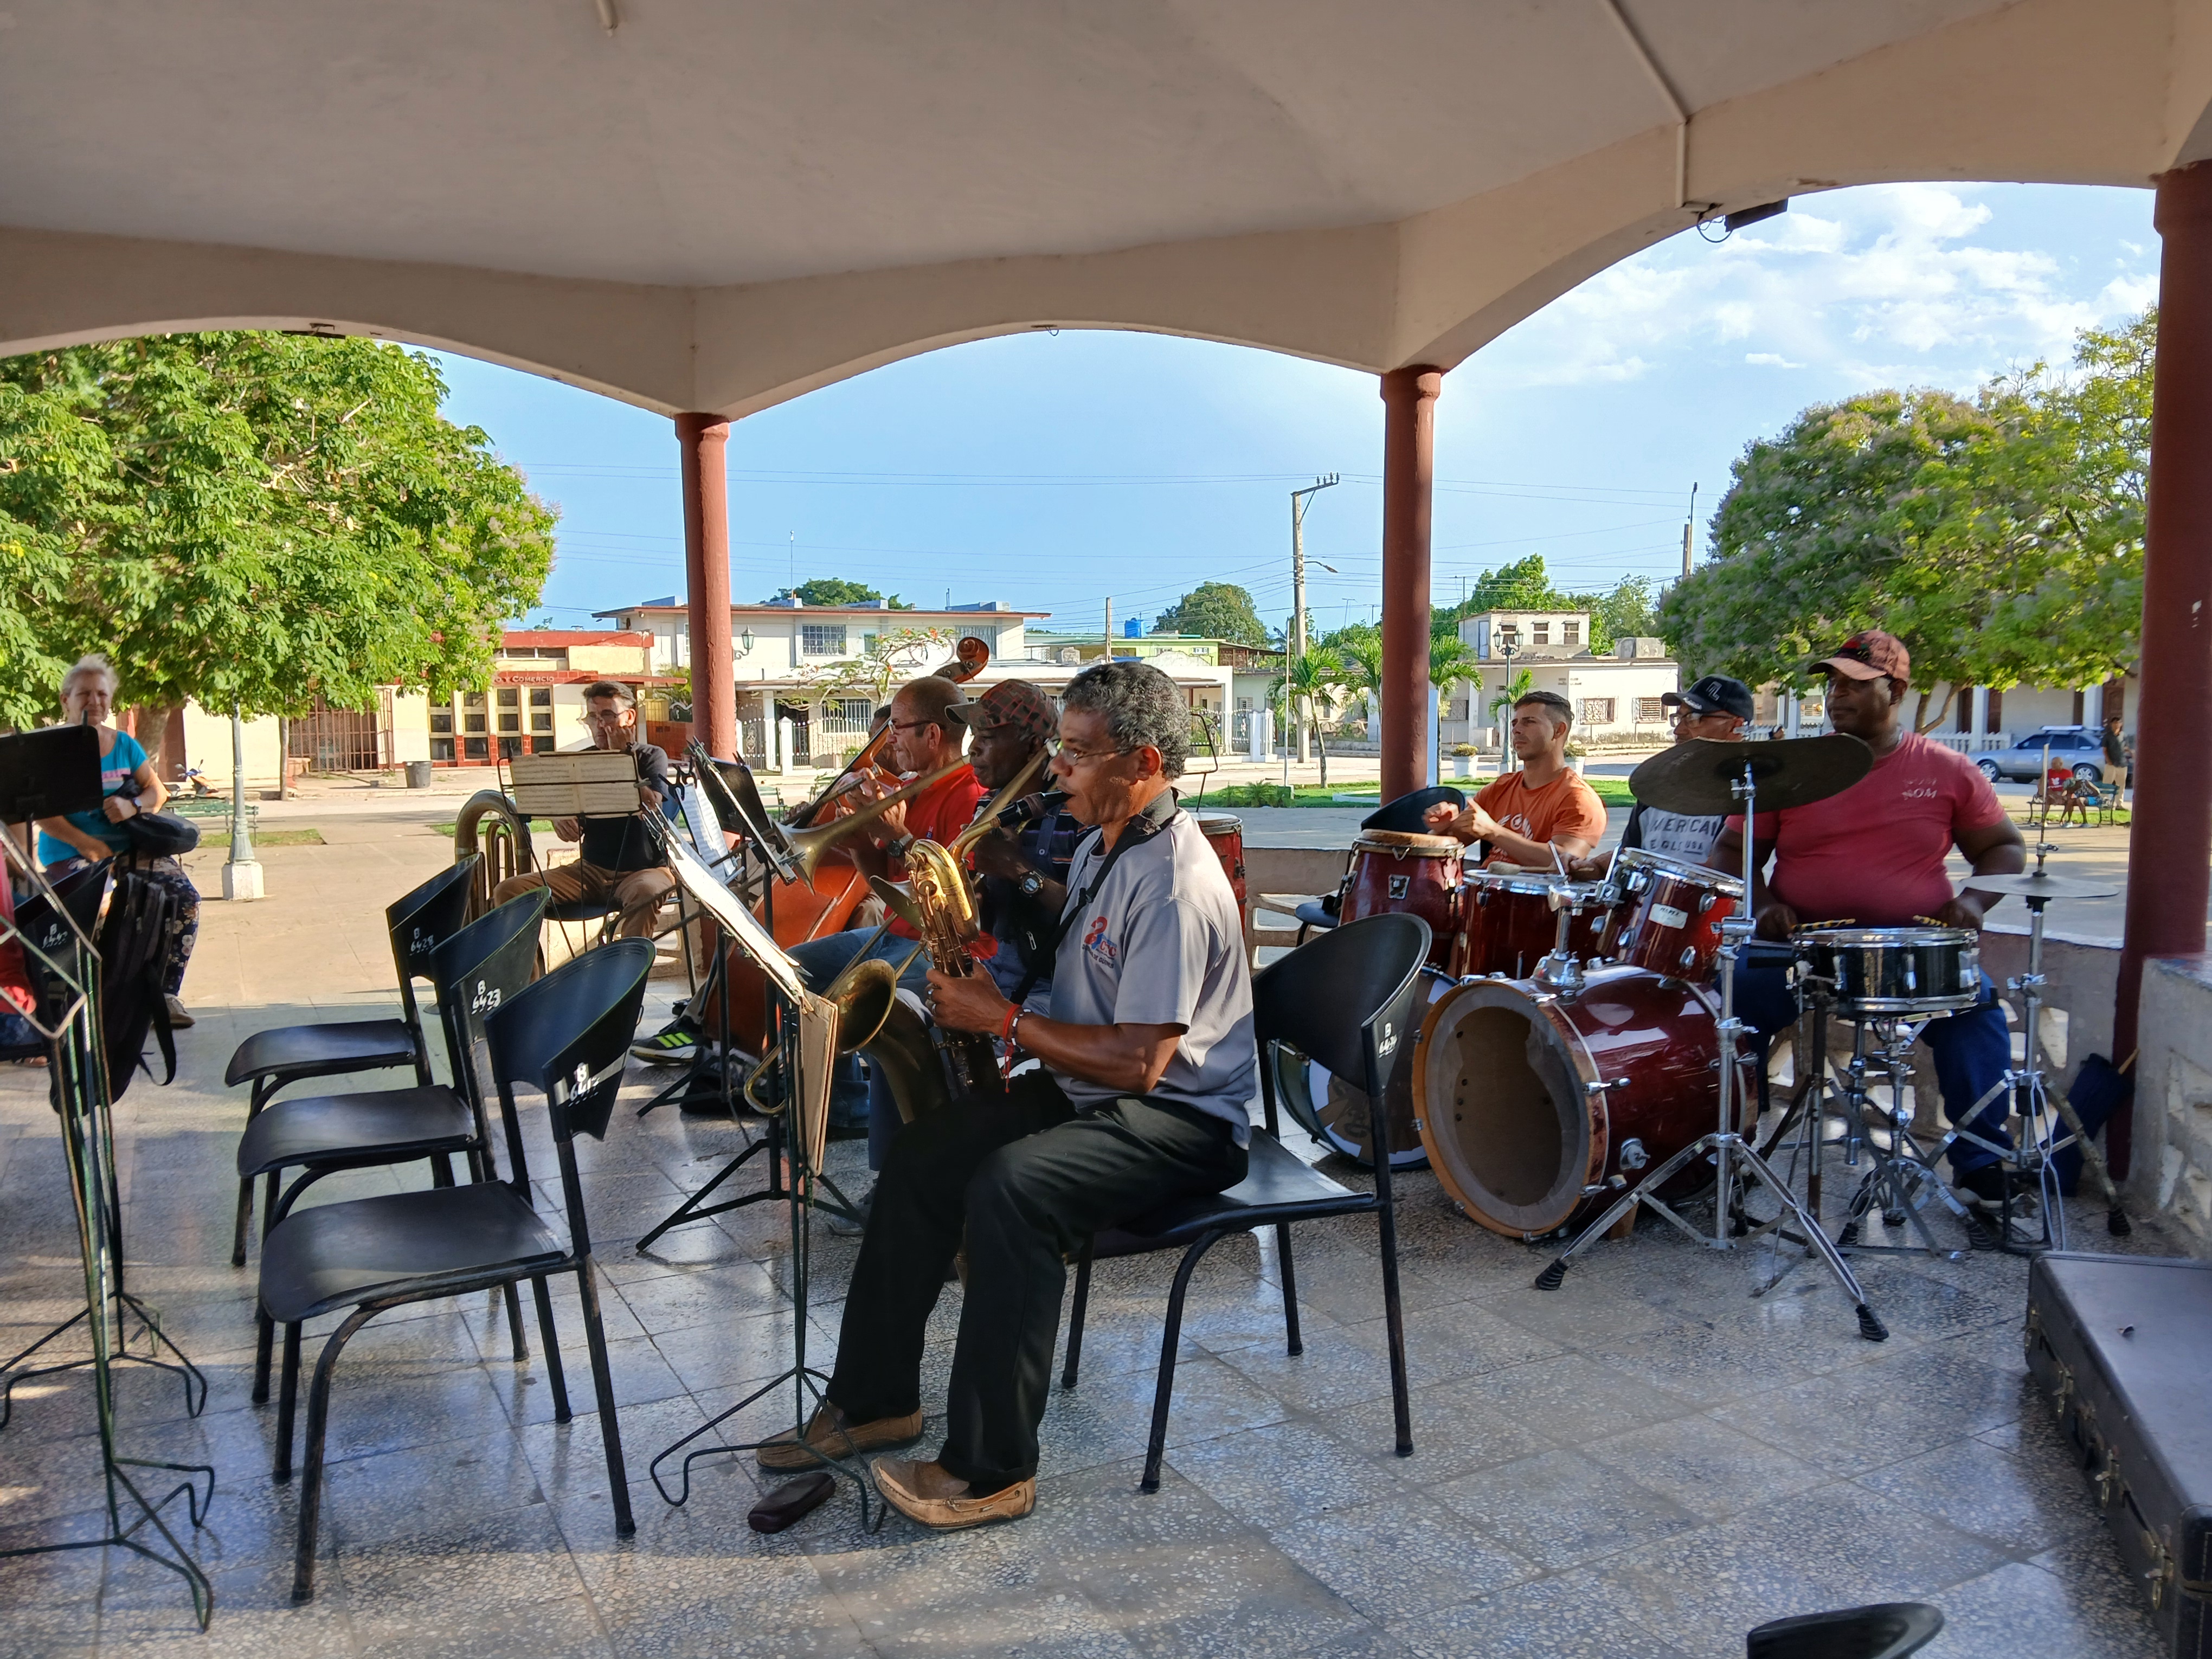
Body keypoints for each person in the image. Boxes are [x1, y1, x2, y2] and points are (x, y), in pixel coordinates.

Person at [758, 660, 1253, 1531]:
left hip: (1183, 1120)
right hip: (1091, 1092)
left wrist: (1006, 1024)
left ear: (1143, 764)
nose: (1056, 770)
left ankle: (992, 1472)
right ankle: (875, 1401)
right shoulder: (1107, 844)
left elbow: (1142, 1061)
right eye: (1059, 749)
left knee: (1014, 1189)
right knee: (924, 1156)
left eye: (1077, 753)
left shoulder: (1174, 878)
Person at [1707, 629, 2028, 1205]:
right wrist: (1763, 906)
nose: (1836, 696)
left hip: (1909, 952)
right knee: (1729, 1006)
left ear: (1896, 689)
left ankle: (1981, 1160)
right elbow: (1732, 855)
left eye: (1854, 685)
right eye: (1832, 683)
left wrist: (1974, 903)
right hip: (1800, 950)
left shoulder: (1948, 770)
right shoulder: (1791, 770)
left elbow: (2004, 849)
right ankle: (1726, 1148)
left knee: (1977, 1011)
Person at [784, 676, 989, 1128]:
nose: (887, 738)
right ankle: (840, 1105)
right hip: (893, 934)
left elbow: (954, 907)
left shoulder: (970, 795)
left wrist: (897, 839)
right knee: (791, 971)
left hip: (932, 947)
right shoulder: (912, 787)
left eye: (896, 726)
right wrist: (861, 839)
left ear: (932, 734)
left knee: (856, 1002)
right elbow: (887, 888)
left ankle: (856, 1114)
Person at [34, 655, 200, 1028]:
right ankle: (98, 1000)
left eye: (102, 694)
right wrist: (87, 844)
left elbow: (156, 792)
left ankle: (164, 995)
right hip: (73, 853)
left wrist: (133, 806)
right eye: (85, 694)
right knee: (102, 907)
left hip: (133, 850)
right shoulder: (49, 750)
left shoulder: (125, 745)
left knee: (184, 899)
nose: (94, 702)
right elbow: (41, 813)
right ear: (66, 700)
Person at [490, 680, 674, 940]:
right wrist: (559, 817)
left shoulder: (650, 756)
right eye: (593, 717)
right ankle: (530, 979)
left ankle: (629, 976)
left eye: (608, 715)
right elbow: (561, 808)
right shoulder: (580, 760)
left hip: (645, 871)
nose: (600, 725)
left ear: (629, 717)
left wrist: (622, 755)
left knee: (647, 893)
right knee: (508, 891)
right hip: (591, 870)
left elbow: (651, 805)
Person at [1567, 674, 1752, 880]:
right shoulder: (1656, 786)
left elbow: (1730, 869)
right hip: (1642, 908)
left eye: (1694, 719)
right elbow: (1631, 853)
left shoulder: (1751, 794)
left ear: (1736, 727)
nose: (1678, 730)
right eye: (1679, 718)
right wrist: (1597, 867)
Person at [1424, 689, 1606, 868]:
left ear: (1559, 730)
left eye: (1529, 722)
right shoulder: (1500, 788)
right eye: (1515, 723)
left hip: (1534, 898)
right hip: (1482, 894)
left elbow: (1565, 863)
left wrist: (1494, 832)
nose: (1517, 730)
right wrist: (1441, 828)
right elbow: (1443, 847)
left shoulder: (1578, 799)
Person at [2100, 715, 2129, 806]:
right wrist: (2108, 760)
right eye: (2115, 723)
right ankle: (2105, 802)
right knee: (2107, 783)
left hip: (2122, 764)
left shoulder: (2124, 735)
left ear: (2121, 724)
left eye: (2118, 723)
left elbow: (2125, 747)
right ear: (2112, 724)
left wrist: (2132, 753)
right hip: (2111, 764)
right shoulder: (2108, 736)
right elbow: (2105, 750)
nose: (2116, 725)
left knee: (2121, 785)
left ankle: (2119, 804)